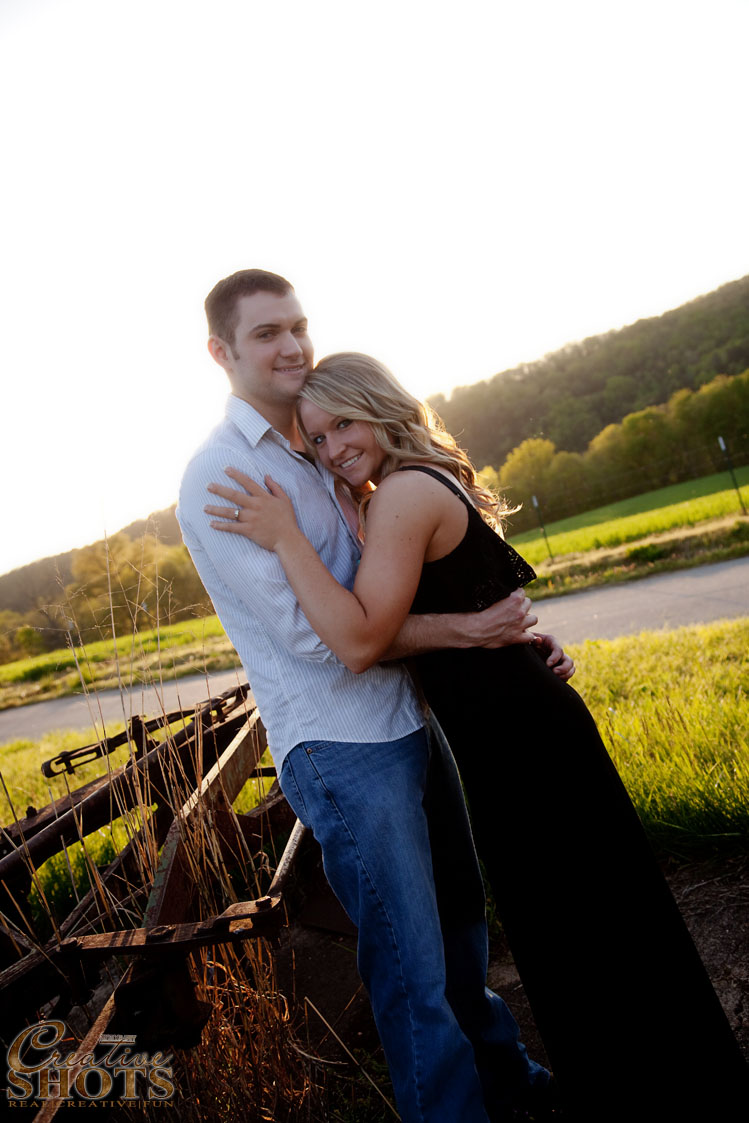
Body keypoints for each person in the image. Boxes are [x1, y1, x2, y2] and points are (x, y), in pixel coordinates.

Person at [206, 350, 749, 1123]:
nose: (332, 447)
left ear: (381, 408)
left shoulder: (399, 496)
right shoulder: (398, 489)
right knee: (586, 918)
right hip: (511, 732)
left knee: (582, 925)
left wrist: (288, 537)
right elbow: (459, 609)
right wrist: (484, 633)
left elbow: (359, 638)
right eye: (317, 438)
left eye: (344, 423)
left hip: (521, 743)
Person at [178, 270, 565, 1123]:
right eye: (267, 333)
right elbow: (333, 640)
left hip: (413, 725)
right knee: (410, 969)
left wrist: (507, 633)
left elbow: (401, 581)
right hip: (343, 747)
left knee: (462, 936)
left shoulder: (318, 443)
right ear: (221, 352)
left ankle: (513, 1088)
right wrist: (468, 634)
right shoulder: (224, 476)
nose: (291, 345)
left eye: (297, 326)